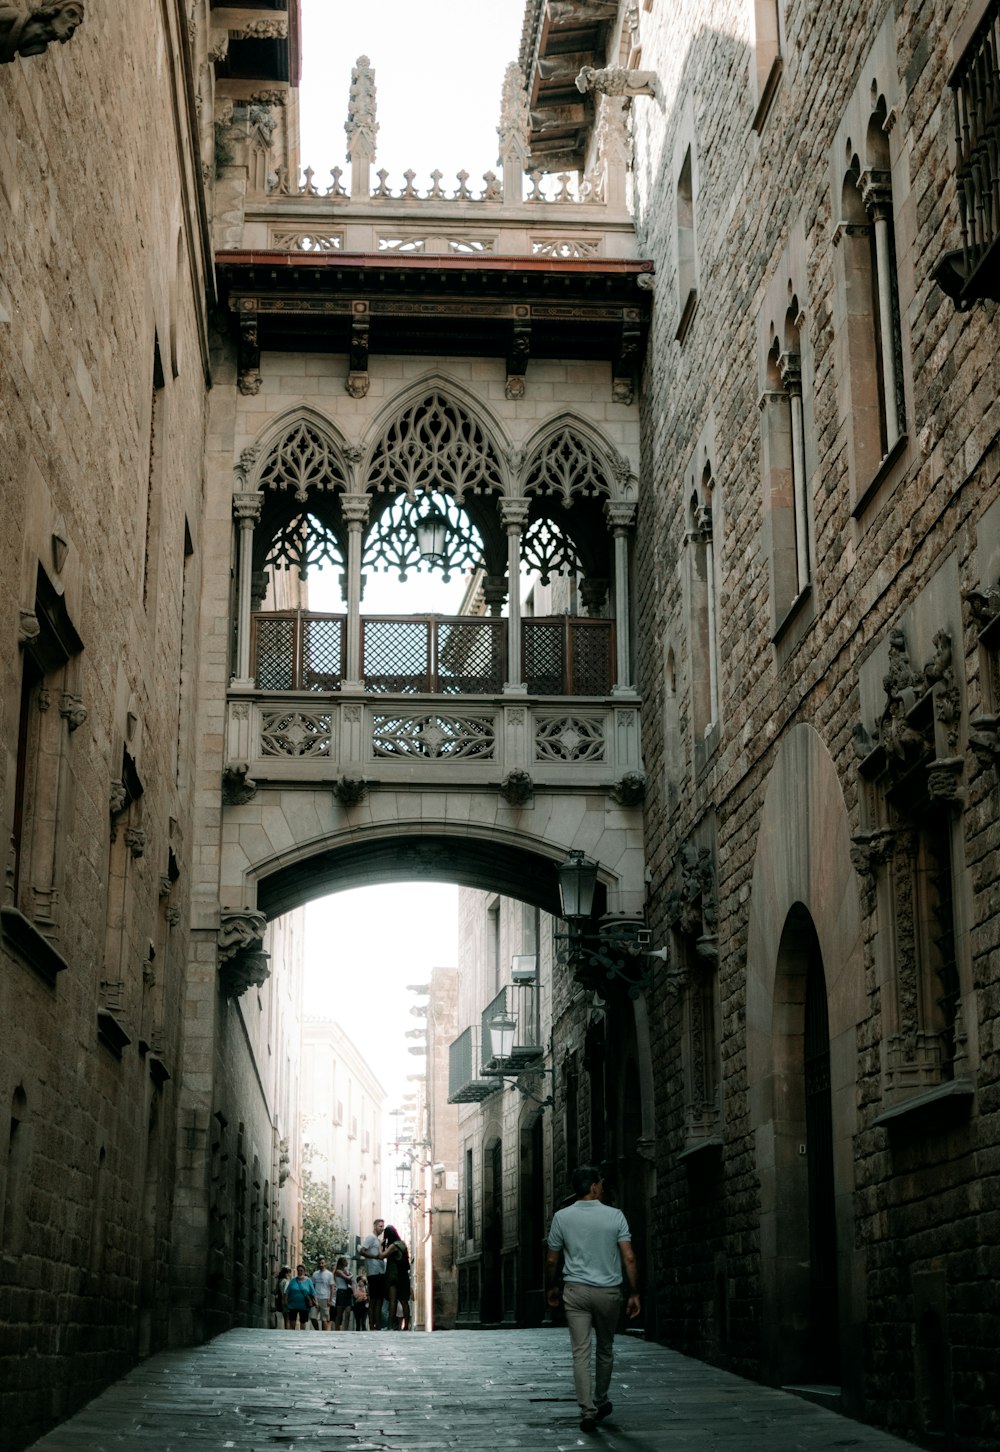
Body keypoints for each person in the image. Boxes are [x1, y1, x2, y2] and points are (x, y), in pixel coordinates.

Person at [546, 1167, 640, 1434]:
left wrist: (552, 1287)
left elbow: (552, 1258)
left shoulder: (562, 1217)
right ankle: (601, 1400)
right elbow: (629, 1257)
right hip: (608, 1292)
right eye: (600, 1183)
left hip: (575, 1291)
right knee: (605, 1348)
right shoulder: (615, 1216)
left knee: (580, 1352)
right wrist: (633, 1292)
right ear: (596, 1187)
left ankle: (587, 1410)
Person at [380, 1223, 411, 1331]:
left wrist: (381, 1245)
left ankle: (389, 1325)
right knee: (404, 1301)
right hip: (404, 1276)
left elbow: (382, 1256)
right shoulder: (402, 1244)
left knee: (392, 1301)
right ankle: (406, 1325)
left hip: (394, 1276)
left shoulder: (393, 1246)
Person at [359, 1217, 386, 1329]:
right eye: (380, 1226)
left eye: (383, 1227)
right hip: (373, 1272)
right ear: (375, 1226)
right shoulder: (370, 1238)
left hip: (379, 1272)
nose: (382, 1229)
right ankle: (372, 1324)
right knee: (374, 1299)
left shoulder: (377, 1240)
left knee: (379, 1299)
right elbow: (362, 1251)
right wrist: (374, 1257)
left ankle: (377, 1324)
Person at [284, 1263, 317, 1330]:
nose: (299, 1272)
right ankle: (292, 1336)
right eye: (298, 1270)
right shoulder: (293, 1280)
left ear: (304, 1271)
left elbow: (313, 1292)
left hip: (304, 1305)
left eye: (301, 1270)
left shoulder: (308, 1281)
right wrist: (285, 1301)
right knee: (292, 1321)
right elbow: (287, 1291)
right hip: (292, 1305)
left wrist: (316, 1302)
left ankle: (302, 1336)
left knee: (303, 1322)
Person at [312, 1255, 334, 1330]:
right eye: (319, 1263)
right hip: (316, 1298)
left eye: (322, 1263)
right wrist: (313, 1298)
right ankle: (318, 1331)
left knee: (324, 1319)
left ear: (325, 1264)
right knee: (312, 1317)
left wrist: (330, 1300)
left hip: (325, 1298)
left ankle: (323, 1335)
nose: (321, 1265)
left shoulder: (329, 1274)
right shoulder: (315, 1274)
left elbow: (332, 1288)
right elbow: (313, 1286)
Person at [333, 1255, 354, 1331]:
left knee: (348, 1312)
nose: (347, 1263)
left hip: (347, 1292)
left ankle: (346, 1329)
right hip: (341, 1292)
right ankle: (337, 1328)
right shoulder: (338, 1271)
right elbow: (347, 1278)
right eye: (345, 1262)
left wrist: (348, 1272)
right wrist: (351, 1274)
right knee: (339, 1313)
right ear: (342, 1263)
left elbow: (350, 1281)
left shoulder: (346, 1271)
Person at [273, 1264, 292, 1330]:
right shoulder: (286, 1281)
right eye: (289, 1272)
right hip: (286, 1301)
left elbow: (275, 1292)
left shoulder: (279, 1281)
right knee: (288, 1319)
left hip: (281, 1300)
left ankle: (286, 1330)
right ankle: (288, 1332)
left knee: (285, 1318)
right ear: (287, 1273)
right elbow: (285, 1292)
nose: (290, 1274)